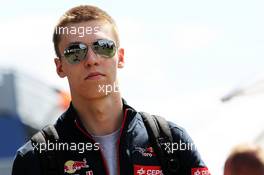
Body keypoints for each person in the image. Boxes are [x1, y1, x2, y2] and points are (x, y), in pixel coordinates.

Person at [12, 5, 210, 175]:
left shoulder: (171, 142)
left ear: (121, 57)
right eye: (75, 52)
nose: (92, 60)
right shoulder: (35, 157)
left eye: (103, 47)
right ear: (60, 66)